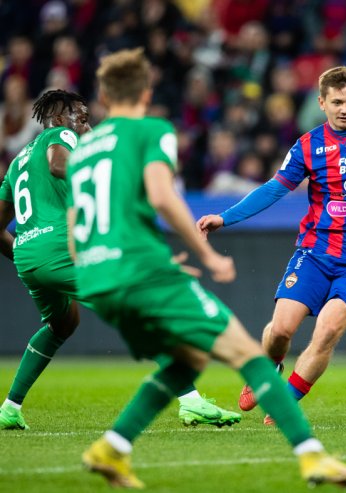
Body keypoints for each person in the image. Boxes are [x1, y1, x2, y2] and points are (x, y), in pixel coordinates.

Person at [67, 48, 346, 488]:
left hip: (96, 279)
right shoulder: (153, 130)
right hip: (139, 271)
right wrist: (206, 255)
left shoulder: (83, 149)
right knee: (248, 355)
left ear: (103, 95)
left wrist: (103, 270)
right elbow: (162, 196)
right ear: (147, 93)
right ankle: (314, 459)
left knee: (187, 359)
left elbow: (76, 225)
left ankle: (112, 447)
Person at [197, 66, 346, 423]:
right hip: (314, 253)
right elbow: (274, 189)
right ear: (322, 103)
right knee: (281, 330)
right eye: (337, 102)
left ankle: (285, 402)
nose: (345, 109)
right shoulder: (308, 145)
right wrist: (225, 217)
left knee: (327, 330)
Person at [0, 91, 239, 432]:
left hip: (29, 256)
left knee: (62, 324)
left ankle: (10, 408)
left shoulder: (17, 162)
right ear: (60, 118)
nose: (88, 128)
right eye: (83, 120)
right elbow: (57, 164)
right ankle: (190, 401)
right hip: (60, 247)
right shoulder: (60, 134)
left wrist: (28, 256)